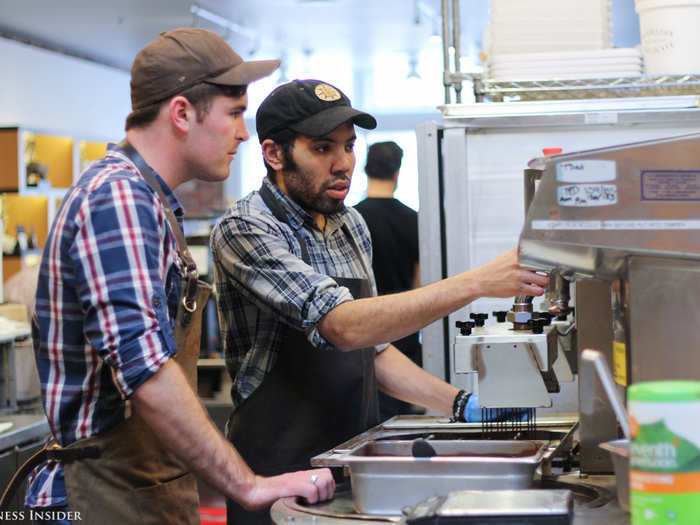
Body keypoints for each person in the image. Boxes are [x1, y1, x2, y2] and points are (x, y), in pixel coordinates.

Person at [19, 29, 334, 525]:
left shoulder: (152, 203)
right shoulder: (118, 199)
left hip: (135, 493)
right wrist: (247, 485)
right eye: (234, 114)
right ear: (183, 113)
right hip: (89, 501)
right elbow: (145, 371)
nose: (244, 133)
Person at [210, 79, 548, 524]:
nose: (343, 164)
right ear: (274, 154)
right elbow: (342, 326)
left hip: (353, 468)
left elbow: (370, 350)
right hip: (278, 476)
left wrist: (460, 404)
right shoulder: (247, 228)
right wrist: (477, 282)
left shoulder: (350, 224)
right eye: (322, 149)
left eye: (349, 147)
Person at [354, 141, 421, 420]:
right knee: (400, 422)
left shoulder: (351, 220)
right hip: (403, 330)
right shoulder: (414, 220)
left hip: (361, 332)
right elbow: (419, 283)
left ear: (367, 169)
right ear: (397, 173)